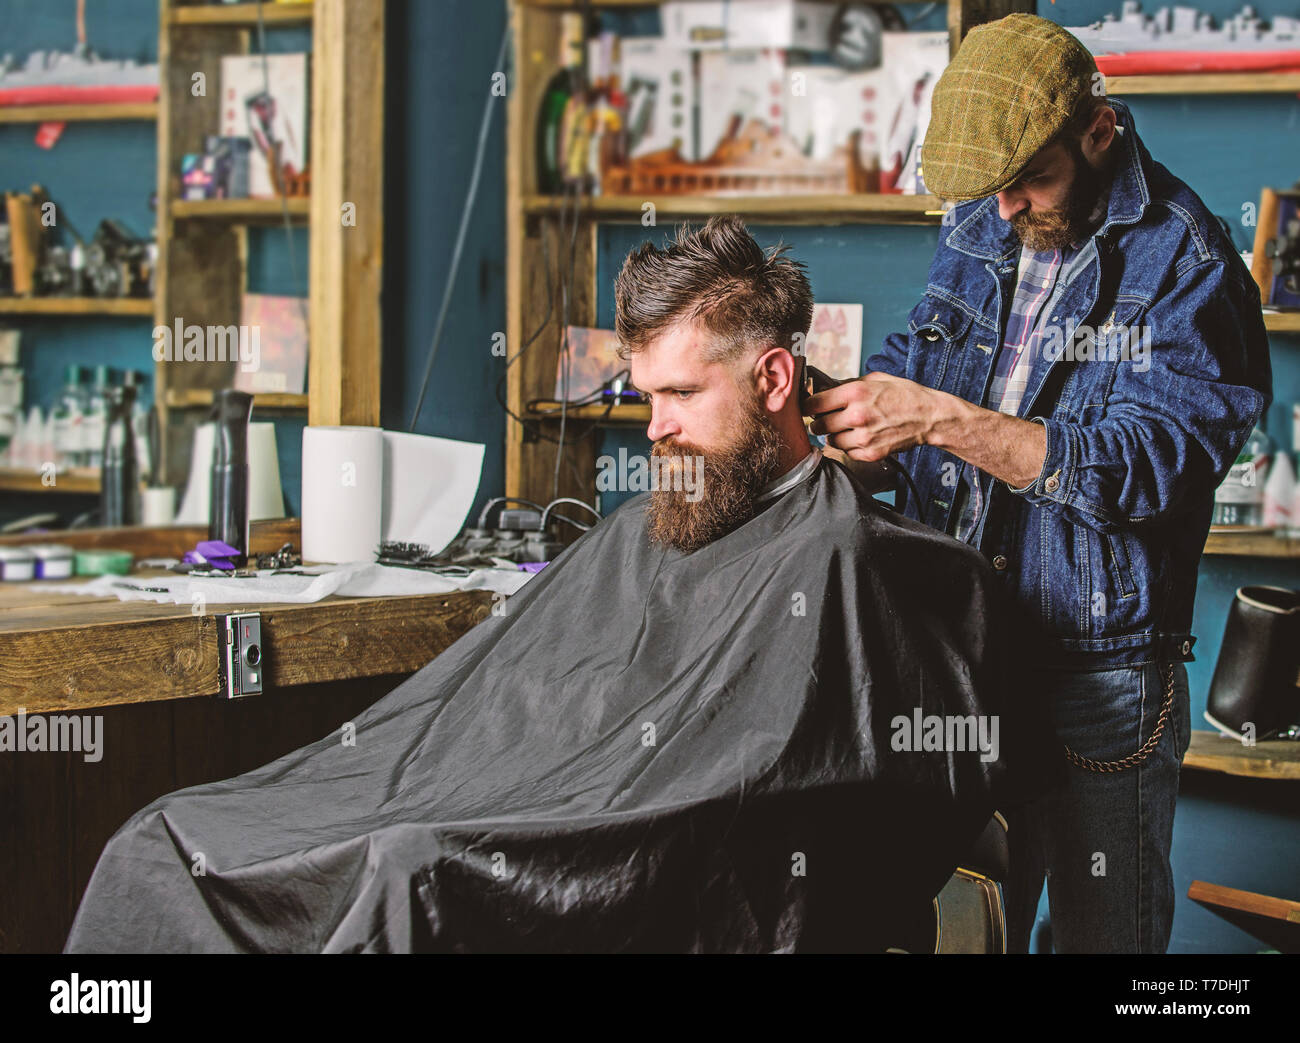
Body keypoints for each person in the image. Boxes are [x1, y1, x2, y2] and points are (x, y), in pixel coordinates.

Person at [67, 217, 1043, 953]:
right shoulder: (640, 532)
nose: (651, 428)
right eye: (641, 395)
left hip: (619, 862)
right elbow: (487, 717)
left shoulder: (844, 559)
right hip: (501, 814)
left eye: (678, 395)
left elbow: (777, 803)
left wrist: (494, 836)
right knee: (165, 838)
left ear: (776, 379)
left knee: (408, 869)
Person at [805, 14, 1271, 953]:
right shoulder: (987, 214)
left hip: (1099, 670)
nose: (1008, 208)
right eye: (994, 189)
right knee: (972, 925)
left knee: (1107, 941)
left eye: (1032, 181)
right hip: (959, 645)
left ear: (1102, 130)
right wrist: (871, 431)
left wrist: (938, 421)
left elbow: (1150, 466)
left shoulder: (1189, 262)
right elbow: (928, 357)